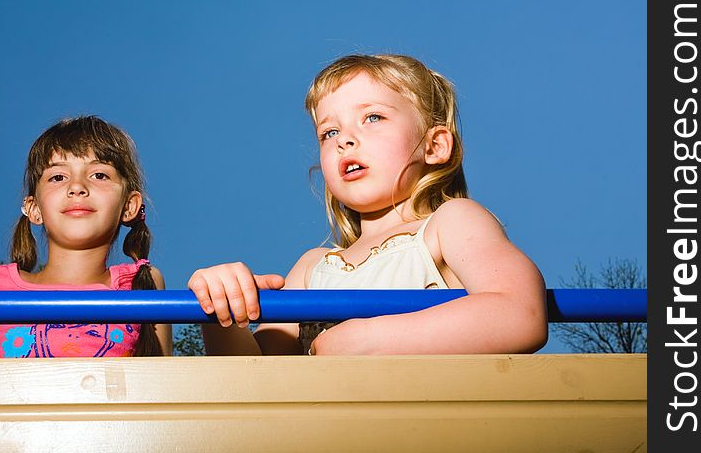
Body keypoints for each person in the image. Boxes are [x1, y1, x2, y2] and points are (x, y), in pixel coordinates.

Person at [188, 54, 548, 355]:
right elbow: (259, 379)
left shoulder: (449, 224)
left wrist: (370, 340)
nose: (345, 139)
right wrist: (222, 310)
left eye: (372, 117)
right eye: (330, 132)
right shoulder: (312, 269)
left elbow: (521, 312)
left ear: (434, 146)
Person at [0, 116, 172, 358]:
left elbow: (162, 385)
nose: (77, 187)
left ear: (129, 206)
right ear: (34, 209)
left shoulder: (140, 284)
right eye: (58, 177)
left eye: (99, 175)